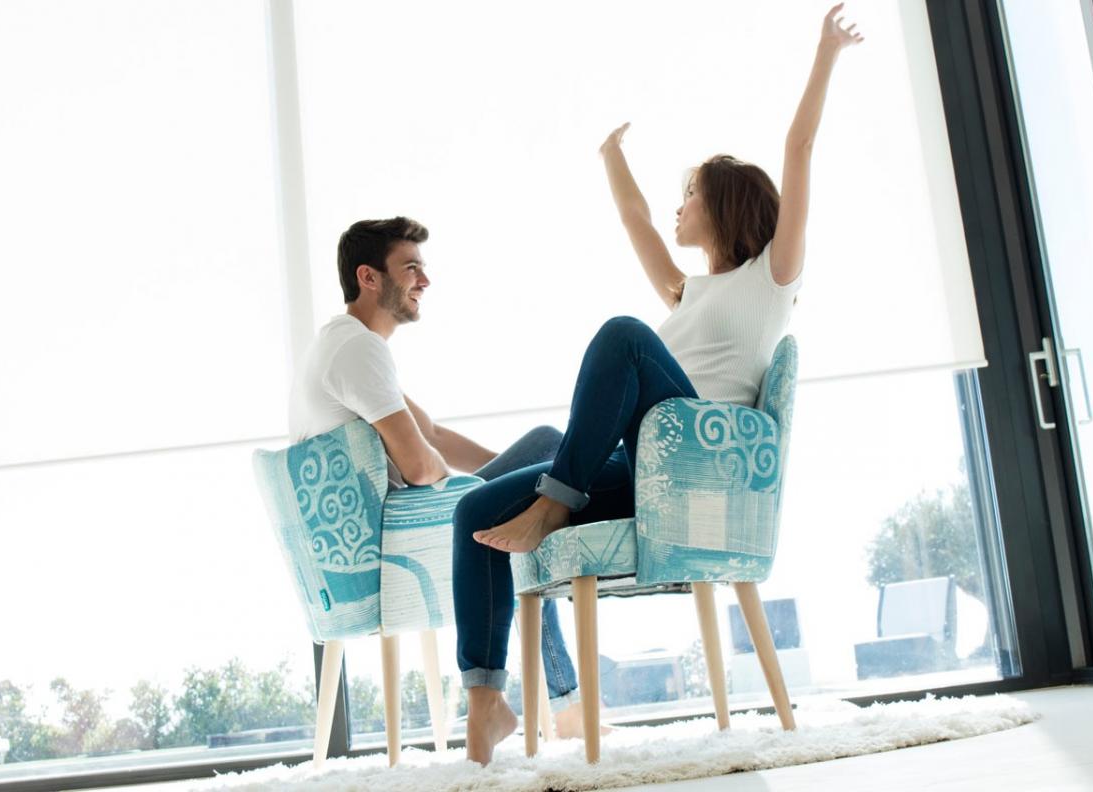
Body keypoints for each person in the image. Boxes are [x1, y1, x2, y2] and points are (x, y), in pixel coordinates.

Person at [453, 4, 864, 765]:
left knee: (622, 337)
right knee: (475, 508)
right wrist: (610, 153)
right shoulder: (685, 293)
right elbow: (637, 218)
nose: (679, 207)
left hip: (698, 470)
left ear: (725, 204)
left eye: (692, 193)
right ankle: (486, 701)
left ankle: (556, 500)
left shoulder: (772, 278)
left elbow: (799, 148)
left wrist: (826, 52)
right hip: (641, 470)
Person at [286, 216, 594, 739]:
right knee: (545, 449)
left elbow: (429, 434)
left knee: (532, 490)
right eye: (411, 268)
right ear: (368, 277)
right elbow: (420, 465)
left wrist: (517, 478)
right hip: (397, 539)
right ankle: (567, 709)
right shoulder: (359, 350)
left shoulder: (342, 344)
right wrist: (491, 496)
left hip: (374, 535)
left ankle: (564, 708)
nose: (424, 281)